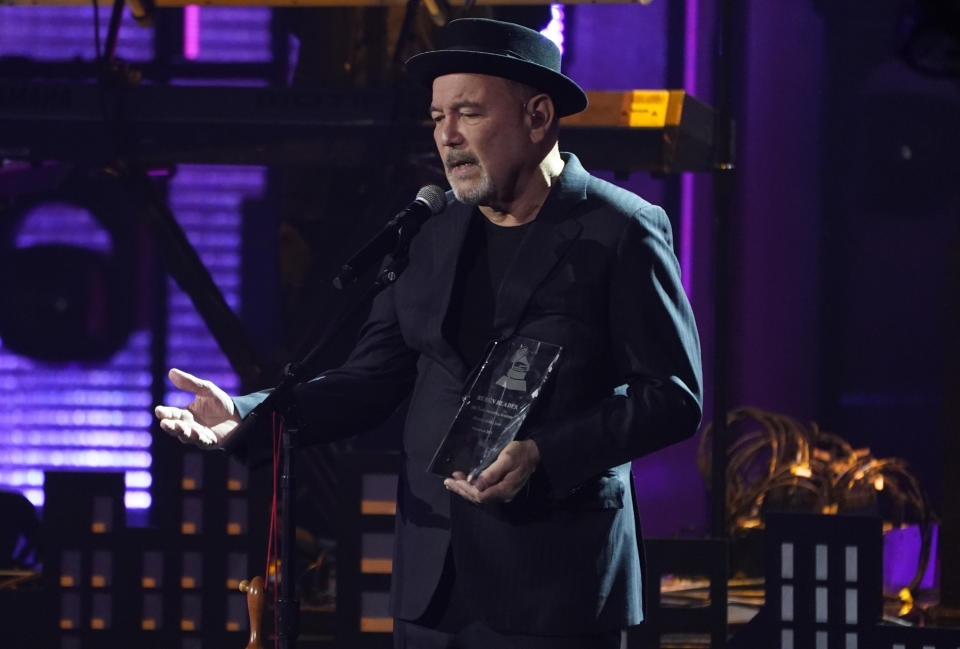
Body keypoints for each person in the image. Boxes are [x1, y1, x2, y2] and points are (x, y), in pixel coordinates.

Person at [155, 18, 702, 649]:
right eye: (437, 117)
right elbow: (370, 380)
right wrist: (248, 414)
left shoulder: (621, 229)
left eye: (467, 113)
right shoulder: (430, 230)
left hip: (557, 584)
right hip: (430, 585)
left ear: (538, 115)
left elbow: (672, 398)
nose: (447, 137)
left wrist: (546, 455)